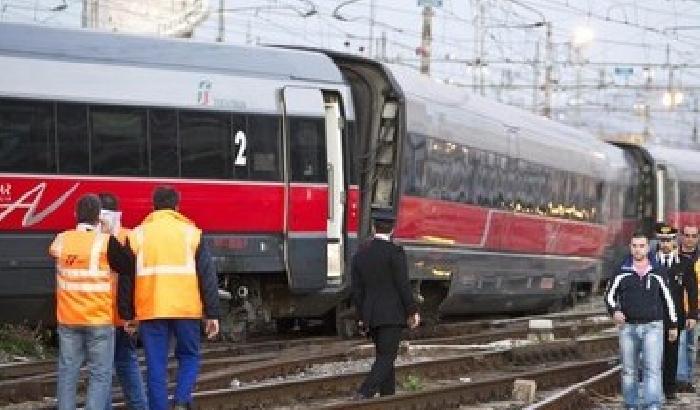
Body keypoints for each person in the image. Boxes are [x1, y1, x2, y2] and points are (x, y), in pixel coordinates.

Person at [119, 186, 220, 410]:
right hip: (186, 309)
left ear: (153, 207)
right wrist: (212, 313)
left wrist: (127, 315)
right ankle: (182, 401)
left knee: (156, 365)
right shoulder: (192, 234)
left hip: (151, 309)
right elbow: (207, 276)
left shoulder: (137, 235)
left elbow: (126, 278)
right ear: (177, 207)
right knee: (189, 356)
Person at [49, 194, 131, 410]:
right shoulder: (105, 241)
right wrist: (107, 230)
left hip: (68, 319)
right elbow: (128, 265)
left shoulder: (61, 240)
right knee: (100, 374)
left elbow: (55, 253)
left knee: (68, 371)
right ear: (99, 217)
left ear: (75, 214)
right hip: (98, 319)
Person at [351, 209, 420, 399]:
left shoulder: (361, 255)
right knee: (387, 357)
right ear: (392, 229)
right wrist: (412, 310)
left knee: (383, 355)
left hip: (371, 315)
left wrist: (361, 317)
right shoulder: (395, 252)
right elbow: (402, 284)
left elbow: (357, 292)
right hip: (392, 315)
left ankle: (388, 396)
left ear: (373, 228)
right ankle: (365, 393)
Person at [604, 231, 678, 410]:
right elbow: (609, 295)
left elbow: (668, 299)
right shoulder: (621, 270)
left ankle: (653, 405)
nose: (638, 250)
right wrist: (614, 311)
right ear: (630, 247)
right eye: (634, 246)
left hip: (653, 326)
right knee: (629, 371)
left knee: (652, 369)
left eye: (641, 246)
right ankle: (631, 405)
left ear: (648, 247)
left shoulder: (658, 271)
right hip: (628, 328)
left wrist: (673, 324)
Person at [98, 193, 147, 410]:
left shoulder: (95, 242)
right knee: (127, 362)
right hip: (123, 316)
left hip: (101, 315)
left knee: (102, 370)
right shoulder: (131, 237)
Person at [654, 224, 697, 399]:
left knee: (672, 354)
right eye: (663, 240)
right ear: (658, 241)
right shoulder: (650, 262)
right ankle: (655, 388)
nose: (666, 244)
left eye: (669, 240)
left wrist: (693, 314)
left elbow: (692, 291)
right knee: (653, 355)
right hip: (653, 316)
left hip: (676, 316)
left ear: (674, 241)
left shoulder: (684, 263)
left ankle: (669, 389)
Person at [677, 224, 700, 393]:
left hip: (696, 310)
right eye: (687, 235)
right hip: (677, 309)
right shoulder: (673, 256)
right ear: (681, 236)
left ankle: (688, 378)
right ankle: (681, 380)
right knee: (680, 344)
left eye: (694, 235)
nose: (690, 239)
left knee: (691, 346)